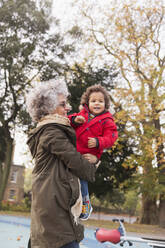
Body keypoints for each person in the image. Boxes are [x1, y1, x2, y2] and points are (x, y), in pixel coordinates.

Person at [26, 79, 99, 248]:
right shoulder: (52, 133)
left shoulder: (51, 130)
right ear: (50, 108)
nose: (68, 108)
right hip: (55, 213)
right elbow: (79, 165)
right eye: (63, 104)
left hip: (53, 209)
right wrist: (95, 159)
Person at [68, 84, 118, 220]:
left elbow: (112, 137)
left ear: (105, 104)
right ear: (87, 103)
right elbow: (67, 120)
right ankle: (71, 203)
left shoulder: (107, 120)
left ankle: (85, 202)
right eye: (93, 101)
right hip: (74, 153)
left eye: (100, 101)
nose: (97, 103)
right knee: (70, 180)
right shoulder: (82, 114)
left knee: (82, 181)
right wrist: (74, 120)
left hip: (89, 157)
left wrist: (98, 141)